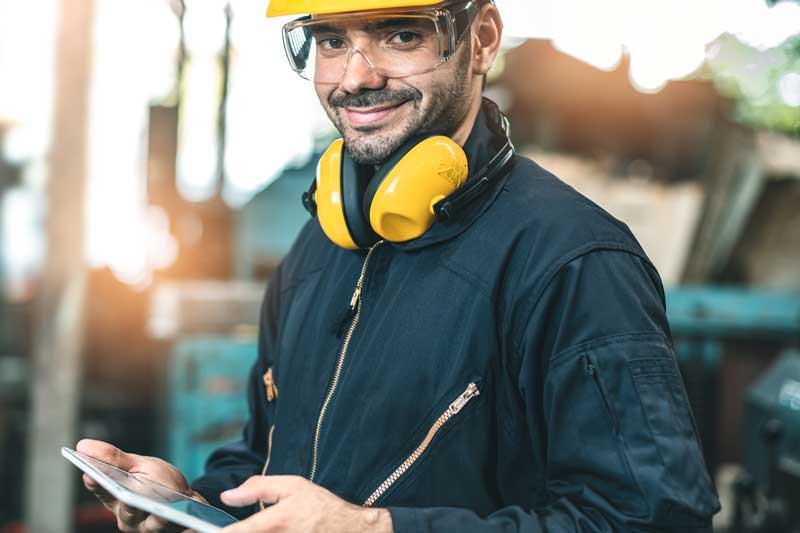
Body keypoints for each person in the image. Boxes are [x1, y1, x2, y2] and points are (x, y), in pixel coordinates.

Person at [79, 0, 722, 531]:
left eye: (400, 34)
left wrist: (377, 529)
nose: (355, 76)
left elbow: (650, 519)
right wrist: (192, 505)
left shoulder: (573, 261)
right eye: (330, 41)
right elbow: (267, 461)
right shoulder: (317, 251)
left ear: (483, 40)